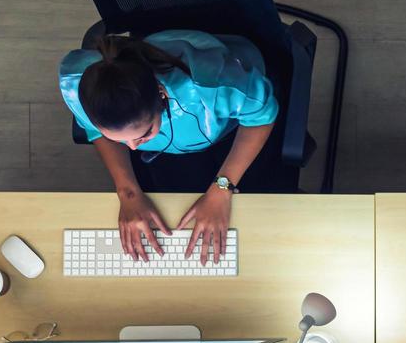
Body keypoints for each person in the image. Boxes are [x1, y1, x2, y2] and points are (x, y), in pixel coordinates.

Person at [58, 31, 279, 265]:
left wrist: (222, 188)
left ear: (162, 96)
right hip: (172, 145)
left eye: (143, 134)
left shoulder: (211, 86)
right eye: (118, 138)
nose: (131, 149)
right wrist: (127, 192)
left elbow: (262, 117)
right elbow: (94, 131)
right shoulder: (79, 84)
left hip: (228, 124)